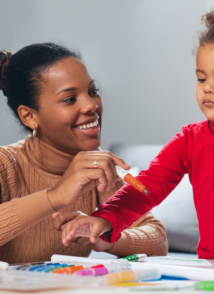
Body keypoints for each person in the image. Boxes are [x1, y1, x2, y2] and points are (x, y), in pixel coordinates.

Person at [61, 0, 214, 270]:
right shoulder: (189, 140)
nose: (208, 88)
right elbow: (146, 188)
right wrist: (104, 218)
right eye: (201, 78)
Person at [0, 43, 167, 264]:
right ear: (29, 116)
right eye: (69, 99)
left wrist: (108, 238)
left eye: (93, 92)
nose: (91, 106)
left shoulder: (97, 166)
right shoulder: (5, 164)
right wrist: (55, 196)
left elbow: (158, 238)